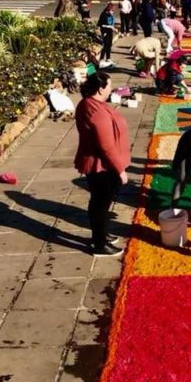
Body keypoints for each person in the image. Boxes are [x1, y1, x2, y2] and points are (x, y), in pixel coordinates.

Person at [74, 72, 130, 257]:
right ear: (100, 88)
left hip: (102, 164)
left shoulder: (91, 104)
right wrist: (120, 170)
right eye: (109, 86)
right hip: (103, 166)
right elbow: (106, 146)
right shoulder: (95, 110)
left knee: (100, 203)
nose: (110, 89)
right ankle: (99, 245)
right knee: (100, 204)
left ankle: (102, 235)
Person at [96, 2, 116, 69]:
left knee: (109, 45)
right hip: (105, 31)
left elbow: (112, 23)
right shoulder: (104, 14)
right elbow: (100, 24)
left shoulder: (111, 15)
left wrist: (113, 28)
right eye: (111, 9)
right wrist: (109, 26)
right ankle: (101, 59)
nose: (112, 11)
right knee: (105, 45)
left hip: (110, 32)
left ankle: (108, 58)